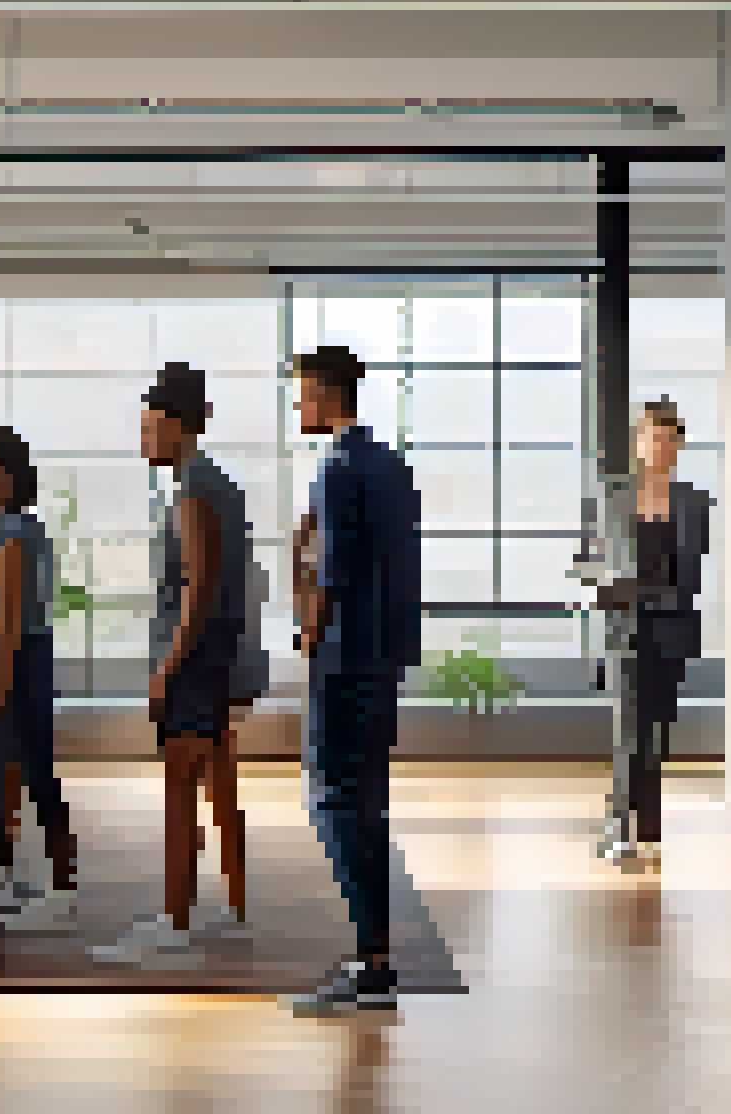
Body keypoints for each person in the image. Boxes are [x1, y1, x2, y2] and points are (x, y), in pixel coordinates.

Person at [94, 364, 268, 966]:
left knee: (178, 792)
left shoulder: (192, 487)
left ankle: (174, 925)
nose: (143, 439)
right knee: (221, 787)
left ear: (179, 427)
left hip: (194, 660)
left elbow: (196, 590)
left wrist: (166, 668)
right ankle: (233, 908)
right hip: (222, 657)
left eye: (150, 427)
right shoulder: (220, 482)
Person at [285, 346, 422, 1015]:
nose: (298, 405)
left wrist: (308, 636)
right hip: (385, 657)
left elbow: (331, 574)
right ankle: (376, 955)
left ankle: (371, 963)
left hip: (344, 659)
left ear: (330, 396)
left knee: (332, 799)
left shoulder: (337, 469)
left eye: (304, 393)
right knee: (366, 801)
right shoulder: (392, 467)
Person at [0, 426, 83, 933]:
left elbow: (9, 621)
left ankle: (61, 892)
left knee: (36, 774)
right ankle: (6, 877)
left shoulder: (14, 531)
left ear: (2, 473)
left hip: (20, 659)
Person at [585, 400, 713, 863]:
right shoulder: (612, 499)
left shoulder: (694, 503)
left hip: (671, 628)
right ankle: (620, 827)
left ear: (678, 446)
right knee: (628, 731)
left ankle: (648, 826)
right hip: (625, 627)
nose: (660, 449)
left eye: (668, 441)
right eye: (652, 439)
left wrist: (643, 589)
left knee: (655, 730)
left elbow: (690, 578)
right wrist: (605, 586)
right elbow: (588, 561)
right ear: (640, 443)